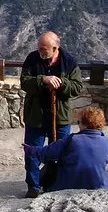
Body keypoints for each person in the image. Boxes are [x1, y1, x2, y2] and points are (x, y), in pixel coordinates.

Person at [21, 31, 83, 198]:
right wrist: (43, 80)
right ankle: (33, 186)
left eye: (44, 48)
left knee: (62, 153)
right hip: (36, 116)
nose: (40, 51)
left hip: (60, 116)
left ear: (55, 48)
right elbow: (24, 82)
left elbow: (77, 88)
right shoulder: (33, 59)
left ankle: (57, 184)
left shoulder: (68, 62)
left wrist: (61, 83)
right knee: (33, 152)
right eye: (39, 47)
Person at [22, 106, 108, 192]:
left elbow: (47, 153)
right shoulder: (107, 142)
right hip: (99, 184)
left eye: (78, 122)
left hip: (69, 184)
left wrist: (31, 150)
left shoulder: (72, 139)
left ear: (84, 124)